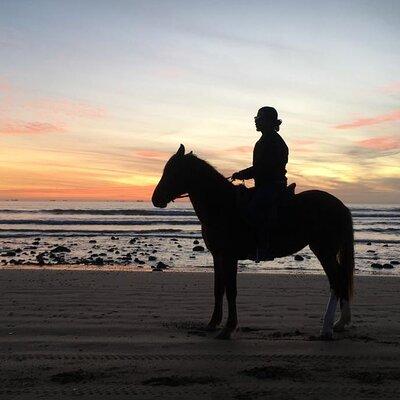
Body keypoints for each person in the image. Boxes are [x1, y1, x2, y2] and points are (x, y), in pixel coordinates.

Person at [232, 106, 289, 262]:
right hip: (267, 184)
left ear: (270, 122)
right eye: (256, 118)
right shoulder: (267, 140)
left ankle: (264, 248)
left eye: (260, 119)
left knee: (252, 210)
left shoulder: (270, 141)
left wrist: (242, 174)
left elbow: (263, 168)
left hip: (271, 185)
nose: (256, 122)